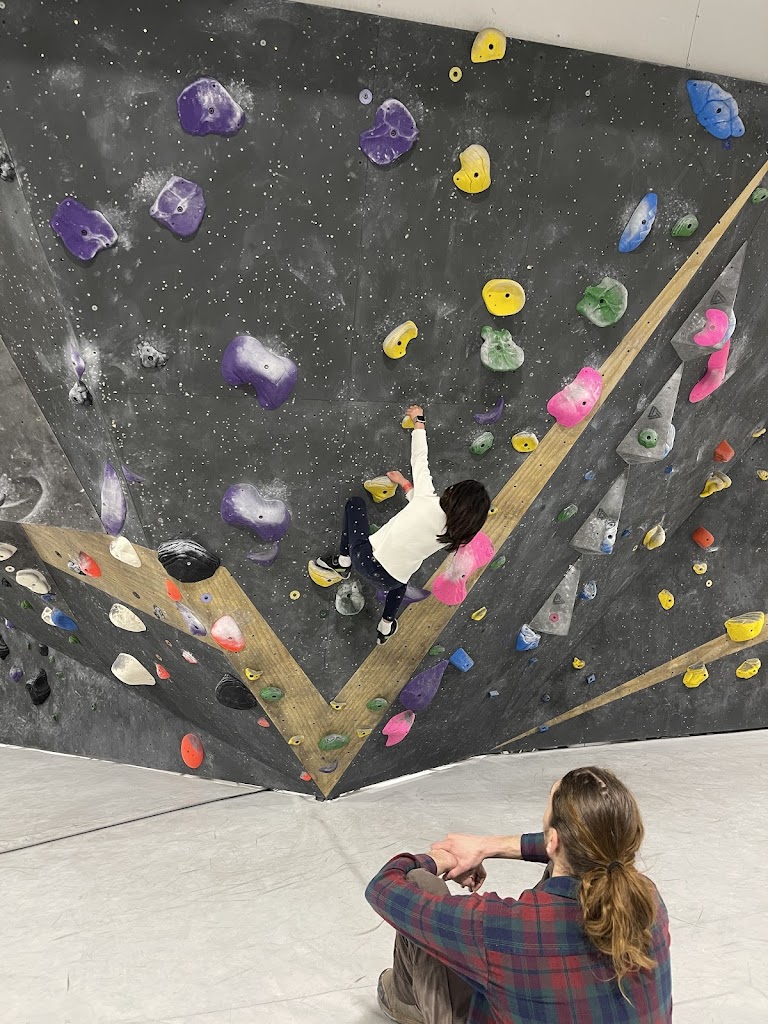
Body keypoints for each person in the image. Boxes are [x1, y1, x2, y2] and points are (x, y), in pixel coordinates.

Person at [366, 766, 672, 1024]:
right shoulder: (648, 900)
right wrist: (487, 846)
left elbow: (383, 886)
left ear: (553, 841)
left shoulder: (505, 926)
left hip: (513, 933)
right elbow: (583, 848)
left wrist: (438, 860)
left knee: (421, 883)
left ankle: (404, 1001)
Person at [310, 405, 490, 644]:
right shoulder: (456, 533)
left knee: (355, 504)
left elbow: (420, 458)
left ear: (453, 492)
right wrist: (405, 484)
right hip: (391, 579)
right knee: (399, 587)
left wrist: (419, 420)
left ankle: (343, 563)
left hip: (364, 557)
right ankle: (385, 627)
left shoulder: (427, 498)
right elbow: (420, 505)